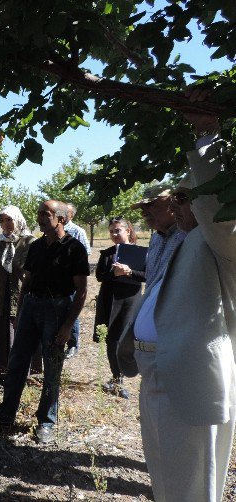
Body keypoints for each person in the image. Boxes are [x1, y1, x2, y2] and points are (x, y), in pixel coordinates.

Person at [118, 106, 236, 502]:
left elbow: (219, 212)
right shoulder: (179, 240)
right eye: (179, 199)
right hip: (158, 370)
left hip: (188, 378)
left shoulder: (218, 241)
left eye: (188, 199)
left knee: (192, 484)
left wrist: (207, 133)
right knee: (165, 473)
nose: (180, 206)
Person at [0, 200, 89, 443]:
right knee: (17, 362)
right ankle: (6, 412)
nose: (40, 218)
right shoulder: (36, 246)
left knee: (52, 368)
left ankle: (46, 421)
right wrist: (22, 310)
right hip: (32, 307)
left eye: (46, 214)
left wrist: (68, 327)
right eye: (38, 214)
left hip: (57, 310)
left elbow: (82, 291)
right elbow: (27, 281)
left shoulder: (74, 248)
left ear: (61, 219)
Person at [93, 217, 144, 399]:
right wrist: (113, 273)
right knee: (111, 340)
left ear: (128, 231)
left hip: (130, 300)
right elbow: (100, 276)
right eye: (111, 232)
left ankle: (131, 371)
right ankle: (117, 379)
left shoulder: (140, 252)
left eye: (118, 231)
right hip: (110, 300)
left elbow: (146, 275)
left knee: (128, 339)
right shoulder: (107, 253)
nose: (114, 234)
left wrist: (130, 272)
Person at [0, 205, 35, 382]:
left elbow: (31, 272)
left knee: (19, 329)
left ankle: (20, 371)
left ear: (18, 220)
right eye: (2, 220)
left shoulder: (29, 242)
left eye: (9, 220)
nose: (6, 224)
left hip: (20, 291)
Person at [130, 183, 185, 288]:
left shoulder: (187, 236)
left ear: (172, 203)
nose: (143, 213)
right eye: (142, 208)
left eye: (150, 205)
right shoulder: (155, 238)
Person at [63, 202, 90, 359]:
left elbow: (85, 253)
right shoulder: (53, 230)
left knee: (73, 310)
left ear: (71, 215)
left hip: (73, 278)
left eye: (66, 212)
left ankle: (73, 344)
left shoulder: (77, 231)